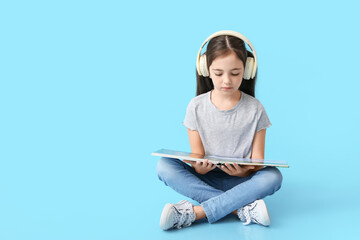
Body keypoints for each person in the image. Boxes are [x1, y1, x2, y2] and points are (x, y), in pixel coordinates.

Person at [156, 30, 283, 230]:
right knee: (164, 165)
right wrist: (198, 168)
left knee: (273, 176)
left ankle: (195, 213)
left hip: (242, 183)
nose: (226, 80)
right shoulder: (195, 106)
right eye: (218, 73)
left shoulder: (255, 108)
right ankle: (241, 209)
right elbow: (197, 154)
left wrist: (244, 173)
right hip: (205, 180)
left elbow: (258, 161)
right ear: (205, 69)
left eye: (235, 73)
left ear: (248, 70)